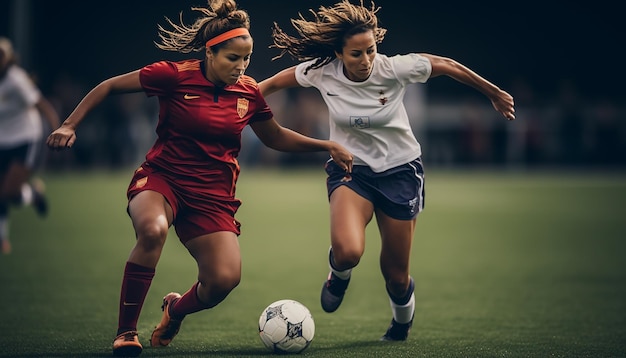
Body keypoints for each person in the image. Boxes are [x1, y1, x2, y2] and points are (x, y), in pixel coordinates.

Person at [46, 1, 353, 356]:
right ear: (210, 52)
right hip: (163, 180)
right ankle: (126, 333)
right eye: (232, 58)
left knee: (224, 280)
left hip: (212, 197)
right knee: (153, 231)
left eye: (247, 59)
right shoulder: (174, 75)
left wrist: (326, 145)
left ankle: (174, 310)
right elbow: (109, 86)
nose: (241, 67)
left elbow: (274, 137)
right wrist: (69, 124)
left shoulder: (248, 92)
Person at [259, 0, 515, 342]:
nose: (365, 60)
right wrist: (239, 98)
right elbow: (273, 83)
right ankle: (338, 275)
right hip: (352, 172)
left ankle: (401, 322)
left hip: (401, 172)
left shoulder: (395, 68)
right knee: (348, 252)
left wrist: (493, 93)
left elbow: (447, 64)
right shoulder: (321, 71)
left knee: (396, 276)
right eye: (356, 54)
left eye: (370, 50)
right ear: (338, 54)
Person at [0, 37, 60, 255]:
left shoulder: (16, 80)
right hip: (2, 140)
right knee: (4, 192)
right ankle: (3, 239)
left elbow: (42, 105)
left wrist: (58, 130)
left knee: (8, 191)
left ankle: (33, 195)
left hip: (25, 138)